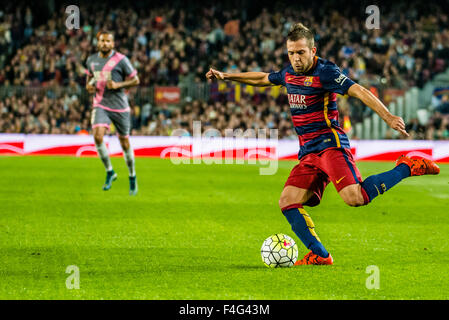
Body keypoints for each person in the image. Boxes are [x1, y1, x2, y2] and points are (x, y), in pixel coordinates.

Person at [206, 23, 440, 265]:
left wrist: (388, 116)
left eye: (300, 53)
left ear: (312, 50)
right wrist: (226, 75)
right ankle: (320, 254)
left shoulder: (326, 72)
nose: (295, 58)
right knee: (287, 201)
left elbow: (358, 90)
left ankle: (407, 166)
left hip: (330, 144)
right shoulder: (288, 74)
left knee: (355, 197)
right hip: (308, 151)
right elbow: (264, 78)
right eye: (291, 53)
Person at [85, 31, 140, 195]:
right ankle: (110, 171)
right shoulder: (91, 60)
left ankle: (132, 176)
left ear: (113, 43)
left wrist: (118, 85)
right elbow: (89, 80)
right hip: (101, 104)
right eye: (102, 41)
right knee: (97, 135)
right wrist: (89, 87)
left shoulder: (121, 60)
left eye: (108, 41)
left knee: (124, 142)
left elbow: (136, 80)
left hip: (120, 106)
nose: (105, 44)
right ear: (98, 43)